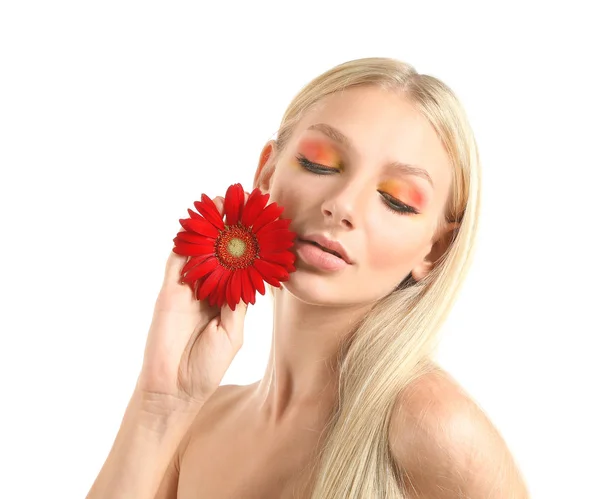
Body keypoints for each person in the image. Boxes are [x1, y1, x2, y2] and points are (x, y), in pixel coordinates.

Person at [86, 57, 530, 498]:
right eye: (320, 164)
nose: (343, 204)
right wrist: (160, 403)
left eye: (396, 200)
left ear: (436, 249)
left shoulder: (437, 427)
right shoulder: (199, 424)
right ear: (266, 174)